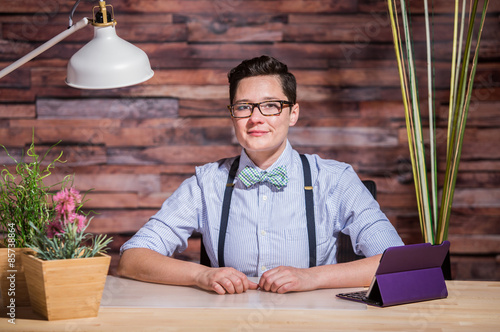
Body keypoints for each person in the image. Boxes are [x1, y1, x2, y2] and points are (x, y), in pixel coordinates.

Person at [117, 55, 404, 295]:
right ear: (233, 116)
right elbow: (132, 259)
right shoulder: (206, 183)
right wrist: (201, 276)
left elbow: (398, 263)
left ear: (292, 113)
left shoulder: (335, 179)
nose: (256, 118)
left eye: (270, 106)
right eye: (244, 107)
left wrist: (313, 277)